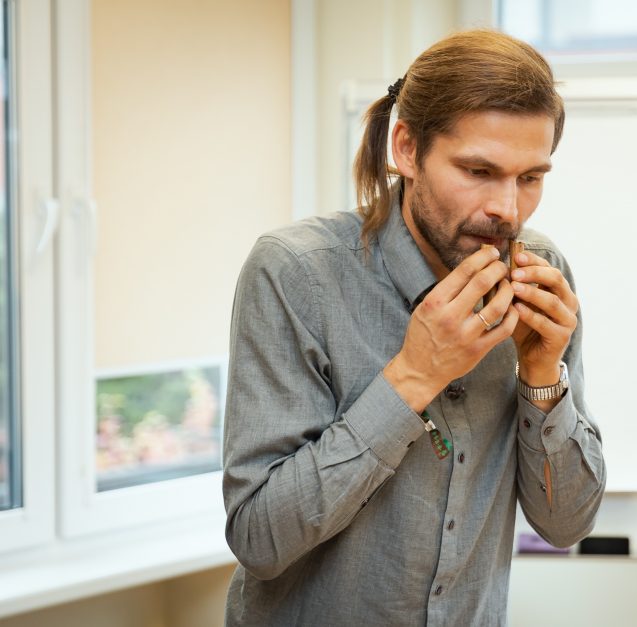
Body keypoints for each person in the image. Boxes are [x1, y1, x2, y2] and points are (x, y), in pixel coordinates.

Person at [222, 29, 606, 627]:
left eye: (530, 177)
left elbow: (566, 525)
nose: (507, 209)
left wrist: (541, 377)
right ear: (406, 148)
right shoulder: (295, 273)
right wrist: (413, 376)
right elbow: (259, 539)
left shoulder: (543, 273)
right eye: (478, 169)